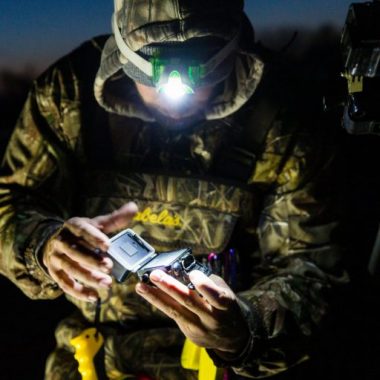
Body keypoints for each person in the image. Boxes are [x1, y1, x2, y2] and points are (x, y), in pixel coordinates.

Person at [0, 0, 348, 379]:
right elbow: (11, 202)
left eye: (200, 69)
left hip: (223, 368)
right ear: (123, 54)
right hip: (91, 357)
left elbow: (314, 268)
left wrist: (244, 329)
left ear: (232, 52)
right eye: (152, 70)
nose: (175, 92)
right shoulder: (69, 92)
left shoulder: (284, 111)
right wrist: (43, 244)